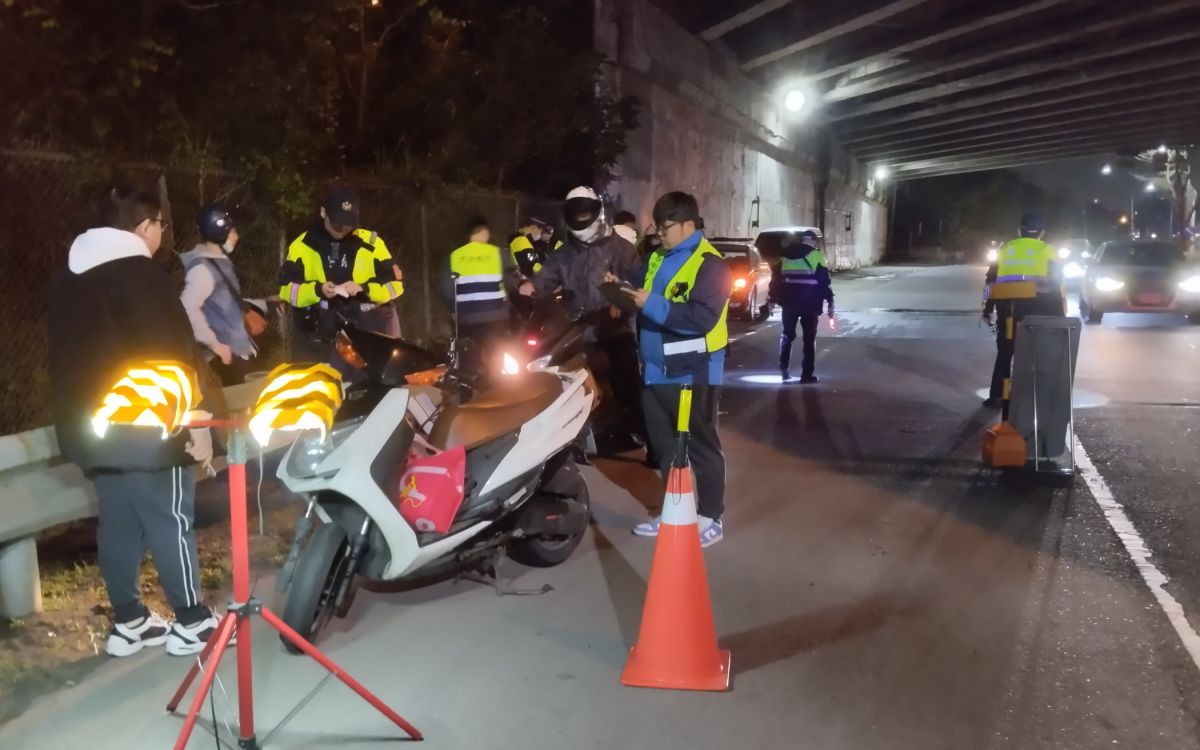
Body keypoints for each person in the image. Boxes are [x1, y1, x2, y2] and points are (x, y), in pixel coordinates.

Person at [46, 186, 223, 657]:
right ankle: (194, 622)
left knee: (119, 522)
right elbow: (173, 353)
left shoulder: (65, 279)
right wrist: (198, 417)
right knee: (170, 517)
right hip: (150, 423)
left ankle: (131, 621)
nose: (162, 234)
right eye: (161, 226)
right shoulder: (142, 276)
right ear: (146, 226)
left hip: (92, 426)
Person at [616, 192, 732, 547]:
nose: (658, 233)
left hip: (692, 372)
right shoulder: (656, 258)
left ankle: (711, 517)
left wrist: (648, 302)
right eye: (656, 225)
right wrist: (619, 289)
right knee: (665, 448)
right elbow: (638, 287)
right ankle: (674, 514)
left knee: (700, 447)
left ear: (686, 225)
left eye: (664, 227)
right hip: (654, 370)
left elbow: (700, 318)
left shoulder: (710, 265)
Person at [533, 186, 646, 455]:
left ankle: (651, 442)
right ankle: (564, 442)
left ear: (597, 213)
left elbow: (640, 284)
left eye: (586, 212)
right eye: (576, 213)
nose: (581, 217)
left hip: (616, 330)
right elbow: (544, 281)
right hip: (578, 330)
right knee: (557, 381)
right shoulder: (563, 253)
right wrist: (525, 287)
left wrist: (622, 302)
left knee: (629, 385)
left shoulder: (622, 249)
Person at [278, 187, 404, 372]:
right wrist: (317, 290)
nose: (343, 229)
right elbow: (287, 289)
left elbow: (395, 285)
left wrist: (365, 289)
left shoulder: (372, 243)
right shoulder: (303, 245)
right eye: (337, 223)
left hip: (366, 330)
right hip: (319, 332)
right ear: (323, 213)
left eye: (349, 224)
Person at [982, 211, 1065, 408]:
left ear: (1020, 230)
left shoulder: (1006, 249)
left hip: (1008, 309)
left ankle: (997, 395)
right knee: (1039, 354)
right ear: (1042, 232)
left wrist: (987, 308)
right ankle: (1035, 398)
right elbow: (1056, 284)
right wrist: (1059, 316)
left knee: (1005, 352)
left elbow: (990, 281)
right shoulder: (1048, 250)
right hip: (1039, 311)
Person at [444, 216, 529, 384]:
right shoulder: (497, 253)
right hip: (496, 318)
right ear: (485, 233)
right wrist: (523, 284)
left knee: (468, 361)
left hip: (467, 320)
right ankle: (496, 392)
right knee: (497, 360)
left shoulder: (454, 256)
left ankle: (466, 391)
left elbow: (446, 289)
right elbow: (513, 275)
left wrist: (453, 311)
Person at [180, 204, 258, 386]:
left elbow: (225, 303)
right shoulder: (202, 268)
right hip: (224, 358)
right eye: (232, 231)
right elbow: (188, 307)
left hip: (236, 353)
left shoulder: (218, 263)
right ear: (219, 233)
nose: (236, 236)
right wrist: (214, 344)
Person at [771, 229, 834, 383]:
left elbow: (776, 280)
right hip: (810, 304)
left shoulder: (785, 256)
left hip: (789, 302)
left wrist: (772, 299)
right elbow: (824, 281)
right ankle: (806, 375)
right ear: (812, 241)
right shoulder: (816, 255)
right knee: (809, 339)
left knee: (787, 335)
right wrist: (830, 301)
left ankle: (784, 368)